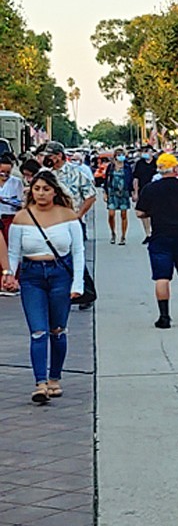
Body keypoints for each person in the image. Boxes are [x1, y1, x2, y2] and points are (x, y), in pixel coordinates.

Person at [4, 171, 84, 403]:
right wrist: (9, 274)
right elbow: (14, 253)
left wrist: (77, 283)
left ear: (54, 191)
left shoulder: (68, 216)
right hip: (32, 277)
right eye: (37, 188)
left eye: (46, 189)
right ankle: (40, 383)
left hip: (60, 274)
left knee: (57, 329)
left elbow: (77, 252)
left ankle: (54, 378)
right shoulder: (21, 218)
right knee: (38, 331)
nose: (41, 193)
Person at [136, 154, 178, 329]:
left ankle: (164, 316)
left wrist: (153, 212)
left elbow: (139, 212)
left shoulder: (150, 189)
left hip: (160, 237)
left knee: (161, 277)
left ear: (159, 169)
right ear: (175, 169)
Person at [42, 142, 97, 226]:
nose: (47, 159)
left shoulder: (75, 173)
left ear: (59, 156)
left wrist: (79, 215)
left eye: (50, 156)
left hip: (71, 221)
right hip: (49, 220)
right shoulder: (45, 173)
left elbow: (91, 196)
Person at [104, 149, 134, 245]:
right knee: (111, 214)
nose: (121, 156)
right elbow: (106, 180)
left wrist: (132, 191)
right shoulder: (111, 167)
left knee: (123, 215)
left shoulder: (127, 167)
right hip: (112, 193)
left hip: (124, 193)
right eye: (119, 155)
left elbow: (131, 180)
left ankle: (123, 236)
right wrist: (105, 192)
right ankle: (113, 233)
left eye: (122, 155)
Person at [131, 147, 158, 243]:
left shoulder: (157, 163)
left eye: (147, 151)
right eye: (143, 151)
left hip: (156, 191)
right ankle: (148, 233)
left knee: (155, 212)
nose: (145, 153)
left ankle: (155, 232)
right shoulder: (139, 164)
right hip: (143, 190)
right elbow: (136, 178)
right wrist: (135, 192)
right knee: (144, 213)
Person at [0, 154, 21, 238]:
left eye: (8, 172)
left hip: (10, 218)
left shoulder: (16, 182)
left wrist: (7, 201)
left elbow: (20, 202)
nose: (5, 174)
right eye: (2, 171)